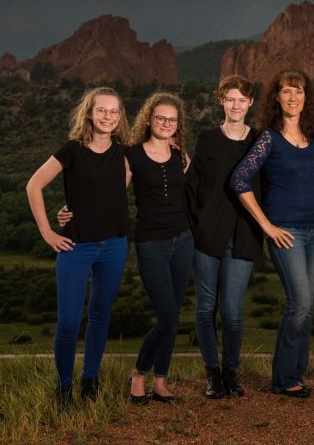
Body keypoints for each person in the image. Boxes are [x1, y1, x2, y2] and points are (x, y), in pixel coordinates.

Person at [59, 92, 194, 405]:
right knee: (167, 318)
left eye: (172, 120)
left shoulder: (180, 155)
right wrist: (68, 210)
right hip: (151, 241)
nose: (166, 123)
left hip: (184, 240)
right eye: (160, 117)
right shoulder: (130, 156)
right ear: (148, 119)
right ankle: (139, 374)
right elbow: (103, 192)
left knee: (173, 315)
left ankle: (161, 381)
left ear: (178, 125)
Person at [26, 87, 131, 409]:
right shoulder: (72, 150)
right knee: (69, 321)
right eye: (102, 110)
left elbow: (119, 186)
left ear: (120, 117)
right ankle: (63, 387)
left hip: (114, 244)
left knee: (100, 316)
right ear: (89, 113)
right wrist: (48, 231)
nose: (108, 116)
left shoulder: (125, 152)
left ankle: (90, 380)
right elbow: (33, 185)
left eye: (114, 112)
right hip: (75, 246)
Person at [230, 69, 314, 398]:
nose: (293, 97)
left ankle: (297, 373)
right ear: (276, 97)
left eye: (299, 92)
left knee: (308, 306)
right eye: (286, 91)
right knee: (298, 305)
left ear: (306, 98)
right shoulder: (269, 138)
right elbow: (239, 180)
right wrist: (267, 226)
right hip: (288, 233)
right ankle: (283, 379)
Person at [186, 75, 263, 399]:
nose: (235, 105)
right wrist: (196, 226)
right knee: (206, 308)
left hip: (244, 235)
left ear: (250, 103)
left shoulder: (261, 141)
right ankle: (212, 374)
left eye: (241, 100)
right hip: (208, 235)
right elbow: (191, 188)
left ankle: (231, 371)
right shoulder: (207, 139)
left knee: (232, 311)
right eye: (230, 99)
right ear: (221, 101)